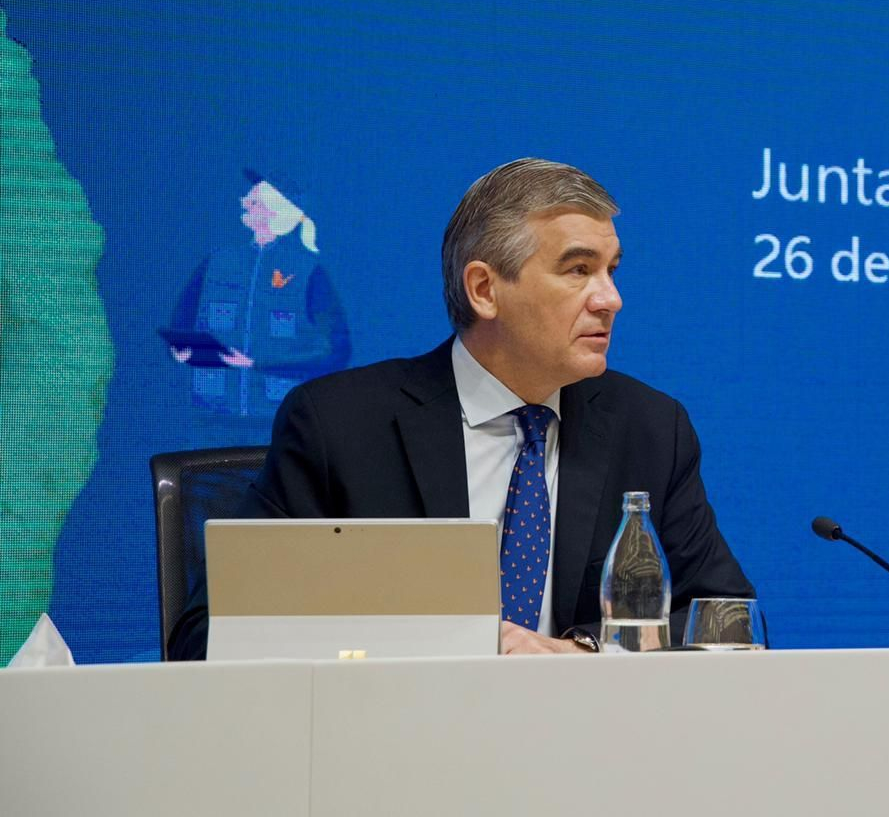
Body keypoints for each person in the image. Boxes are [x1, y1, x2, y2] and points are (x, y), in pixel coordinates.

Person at [167, 158, 752, 658]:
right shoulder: (341, 426)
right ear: (484, 289)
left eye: (611, 271)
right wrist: (448, 648)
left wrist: (582, 651)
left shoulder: (648, 428)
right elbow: (209, 633)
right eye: (578, 271)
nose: (611, 299)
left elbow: (729, 624)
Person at [167, 170, 351, 448]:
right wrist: (179, 349)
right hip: (210, 421)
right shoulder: (217, 262)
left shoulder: (307, 271)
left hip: (279, 425)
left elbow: (335, 350)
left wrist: (258, 362)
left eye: (254, 201)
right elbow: (181, 321)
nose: (244, 203)